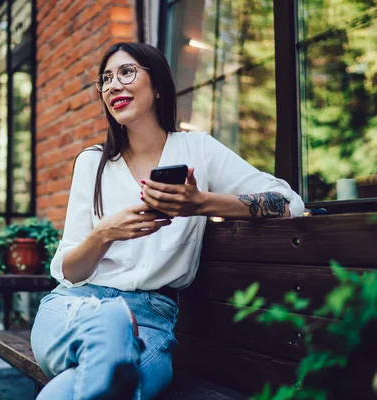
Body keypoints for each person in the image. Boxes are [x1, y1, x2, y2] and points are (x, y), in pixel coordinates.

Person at [30, 42, 305, 400]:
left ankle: (114, 338)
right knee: (115, 374)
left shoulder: (198, 150)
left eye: (126, 72)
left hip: (150, 318)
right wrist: (105, 234)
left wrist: (201, 202)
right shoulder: (92, 162)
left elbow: (288, 202)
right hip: (74, 307)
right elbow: (70, 270)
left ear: (157, 85)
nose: (113, 85)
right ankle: (111, 333)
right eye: (106, 79)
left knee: (83, 387)